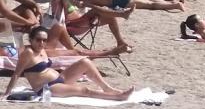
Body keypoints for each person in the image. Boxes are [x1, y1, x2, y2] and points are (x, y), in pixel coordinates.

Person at [3, 27, 133, 101]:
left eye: (44, 40)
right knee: (85, 90)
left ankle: (107, 88)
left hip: (60, 79)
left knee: (85, 62)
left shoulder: (42, 49)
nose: (41, 43)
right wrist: (7, 93)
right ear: (30, 40)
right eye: (38, 40)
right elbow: (16, 74)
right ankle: (117, 97)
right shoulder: (28, 53)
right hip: (47, 88)